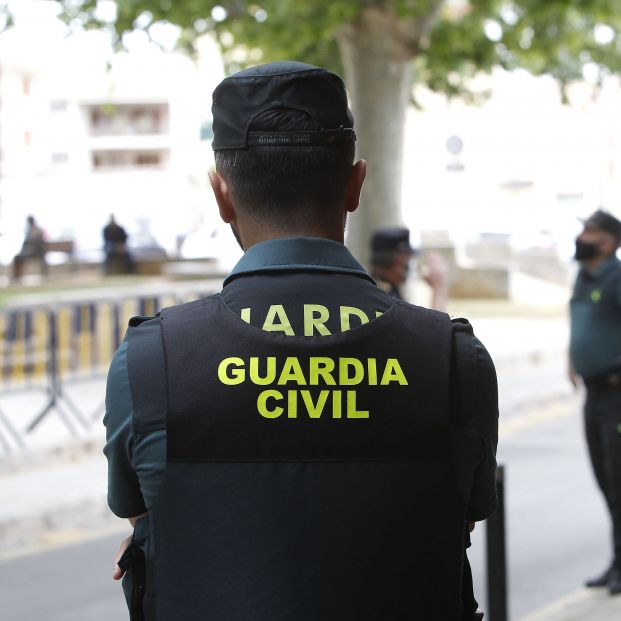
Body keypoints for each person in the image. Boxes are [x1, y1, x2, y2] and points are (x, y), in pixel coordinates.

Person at [104, 61, 498, 620]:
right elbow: (460, 517)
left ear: (221, 196)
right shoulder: (453, 360)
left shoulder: (152, 361)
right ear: (356, 183)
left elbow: (141, 513)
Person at [569, 208, 621, 595]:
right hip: (593, 393)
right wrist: (573, 360)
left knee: (619, 482)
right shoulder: (584, 276)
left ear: (608, 241)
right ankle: (617, 561)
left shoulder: (617, 277)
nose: (582, 237)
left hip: (617, 395)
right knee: (605, 480)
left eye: (589, 231)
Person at [370, 227, 449, 310]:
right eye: (406, 256)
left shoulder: (388, 288)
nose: (408, 264)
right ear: (388, 260)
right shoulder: (383, 298)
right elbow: (431, 323)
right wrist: (438, 288)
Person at [12, 215, 47, 280]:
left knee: (18, 257)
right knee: (17, 257)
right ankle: (17, 276)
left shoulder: (36, 230)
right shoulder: (30, 230)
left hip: (36, 252)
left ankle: (16, 277)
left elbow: (36, 243)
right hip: (33, 252)